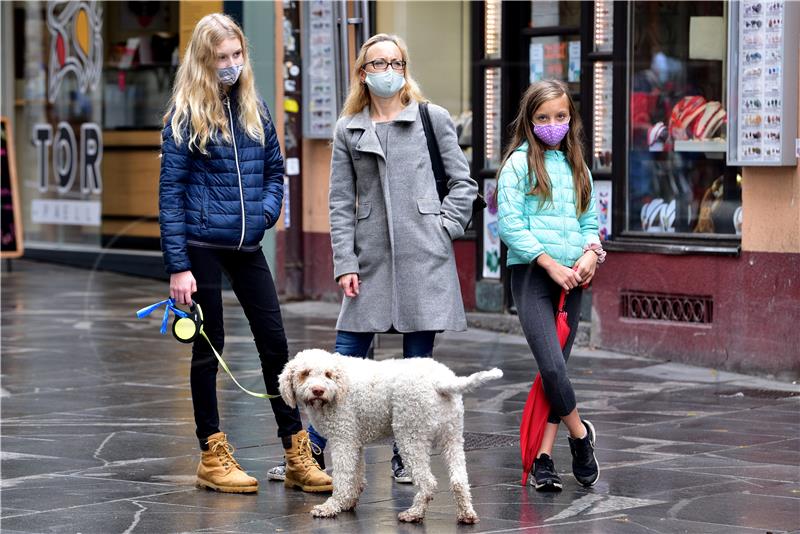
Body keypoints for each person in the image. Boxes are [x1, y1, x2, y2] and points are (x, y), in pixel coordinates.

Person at [267, 33, 477, 484]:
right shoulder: (349, 129)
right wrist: (344, 260)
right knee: (343, 356)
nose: (388, 71)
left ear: (405, 67)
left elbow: (464, 185)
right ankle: (311, 454)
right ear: (363, 73)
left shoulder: (431, 118)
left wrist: (443, 228)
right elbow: (340, 201)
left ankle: (406, 455)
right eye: (377, 64)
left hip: (424, 255)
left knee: (416, 366)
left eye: (395, 62)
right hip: (369, 258)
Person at [158, 13, 331, 494]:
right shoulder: (183, 114)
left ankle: (295, 450)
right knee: (208, 348)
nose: (231, 65)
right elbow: (170, 193)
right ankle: (212, 453)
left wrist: (264, 212)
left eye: (237, 55)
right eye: (221, 58)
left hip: (247, 245)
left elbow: (276, 170)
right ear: (203, 60)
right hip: (200, 246)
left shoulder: (254, 107)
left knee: (275, 343)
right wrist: (178, 266)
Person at [496, 79, 604, 492]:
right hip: (534, 277)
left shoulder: (579, 166)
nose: (553, 124)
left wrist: (592, 253)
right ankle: (580, 437)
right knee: (552, 365)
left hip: (574, 278)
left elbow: (590, 223)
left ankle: (543, 458)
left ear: (571, 119)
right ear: (529, 121)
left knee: (554, 373)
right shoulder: (518, 166)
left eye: (560, 116)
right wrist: (548, 263)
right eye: (543, 117)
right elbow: (510, 225)